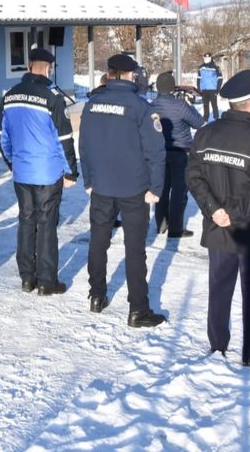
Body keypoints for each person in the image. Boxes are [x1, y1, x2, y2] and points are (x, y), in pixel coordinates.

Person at [186, 70, 250, 368]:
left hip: (219, 226)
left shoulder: (206, 133)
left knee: (219, 287)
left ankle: (218, 345)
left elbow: (193, 177)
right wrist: (233, 212)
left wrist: (214, 209)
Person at [79, 54, 166, 326]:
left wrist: (89, 180)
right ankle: (138, 309)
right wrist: (156, 187)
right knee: (135, 247)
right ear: (130, 75)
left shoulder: (91, 104)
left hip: (102, 185)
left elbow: (85, 146)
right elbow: (156, 152)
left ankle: (96, 294)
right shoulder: (141, 108)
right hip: (134, 188)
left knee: (98, 240)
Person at [0, 48, 78, 295]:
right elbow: (64, 138)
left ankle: (27, 277)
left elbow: (2, 136)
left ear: (29, 65)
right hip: (47, 171)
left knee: (25, 221)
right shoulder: (52, 97)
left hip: (22, 172)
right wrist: (71, 171)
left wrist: (12, 162)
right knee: (46, 225)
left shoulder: (10, 95)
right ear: (49, 68)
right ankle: (46, 280)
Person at [152, 71, 206, 238]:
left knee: (161, 188)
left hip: (159, 152)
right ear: (172, 87)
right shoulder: (180, 105)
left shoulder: (151, 105)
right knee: (178, 190)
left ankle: (161, 224)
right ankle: (175, 228)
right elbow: (199, 123)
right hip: (180, 151)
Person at [196, 53, 222, 122]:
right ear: (203, 58)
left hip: (213, 90)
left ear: (211, 58)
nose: (206, 59)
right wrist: (199, 88)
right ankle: (205, 120)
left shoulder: (216, 67)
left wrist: (218, 90)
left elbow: (220, 79)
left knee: (214, 105)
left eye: (208, 58)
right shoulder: (201, 67)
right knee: (205, 106)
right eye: (205, 58)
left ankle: (216, 119)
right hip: (204, 90)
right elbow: (199, 78)